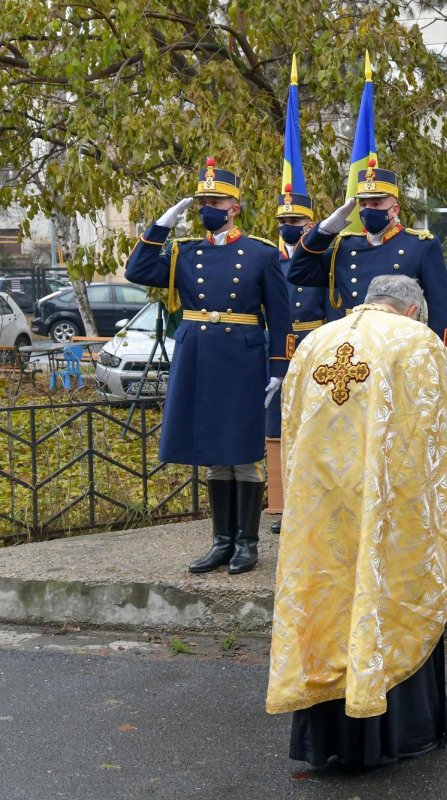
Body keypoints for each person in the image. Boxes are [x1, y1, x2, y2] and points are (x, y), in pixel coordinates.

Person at [265, 274, 447, 770]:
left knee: (326, 606)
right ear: (411, 310)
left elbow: (289, 435)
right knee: (386, 601)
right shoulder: (416, 342)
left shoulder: (316, 341)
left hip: (322, 519)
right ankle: (400, 736)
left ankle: (326, 743)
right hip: (390, 512)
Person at [125, 158, 291, 575]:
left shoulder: (260, 253)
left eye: (215, 200)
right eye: (202, 202)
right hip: (199, 357)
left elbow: (281, 316)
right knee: (216, 453)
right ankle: (221, 542)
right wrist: (162, 225)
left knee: (243, 452)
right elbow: (137, 269)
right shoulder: (185, 252)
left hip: (242, 359)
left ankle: (247, 544)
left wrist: (278, 368)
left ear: (234, 206)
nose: (207, 208)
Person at [288, 160, 447, 341]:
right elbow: (298, 273)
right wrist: (324, 231)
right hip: (351, 343)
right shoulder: (345, 246)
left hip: (397, 342)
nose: (368, 210)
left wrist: (441, 357)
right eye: (364, 204)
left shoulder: (420, 245)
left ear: (395, 209)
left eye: (376, 204)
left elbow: (440, 310)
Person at [266, 185, 328, 535]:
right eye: (283, 220)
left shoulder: (323, 257)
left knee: (316, 428)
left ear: (310, 223)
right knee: (284, 429)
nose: (288, 225)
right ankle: (288, 505)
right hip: (279, 350)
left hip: (316, 343)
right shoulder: (268, 260)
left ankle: (317, 504)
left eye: (296, 220)